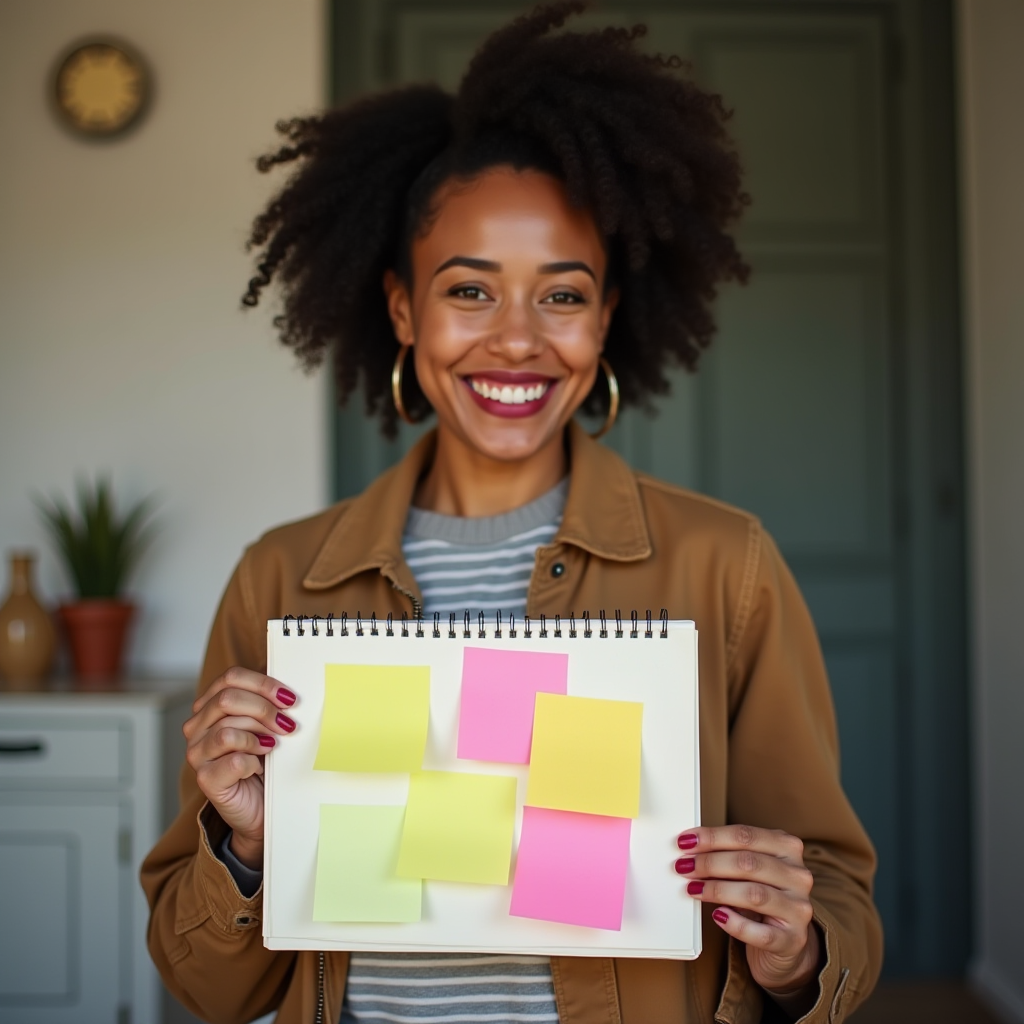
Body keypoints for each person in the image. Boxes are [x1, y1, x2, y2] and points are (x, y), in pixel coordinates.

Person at [141, 4, 882, 1022]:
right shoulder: (279, 578)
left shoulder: (727, 566)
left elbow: (835, 901)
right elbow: (208, 988)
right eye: (470, 291)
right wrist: (247, 843)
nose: (518, 340)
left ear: (608, 315)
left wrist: (797, 947)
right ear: (402, 307)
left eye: (563, 296)